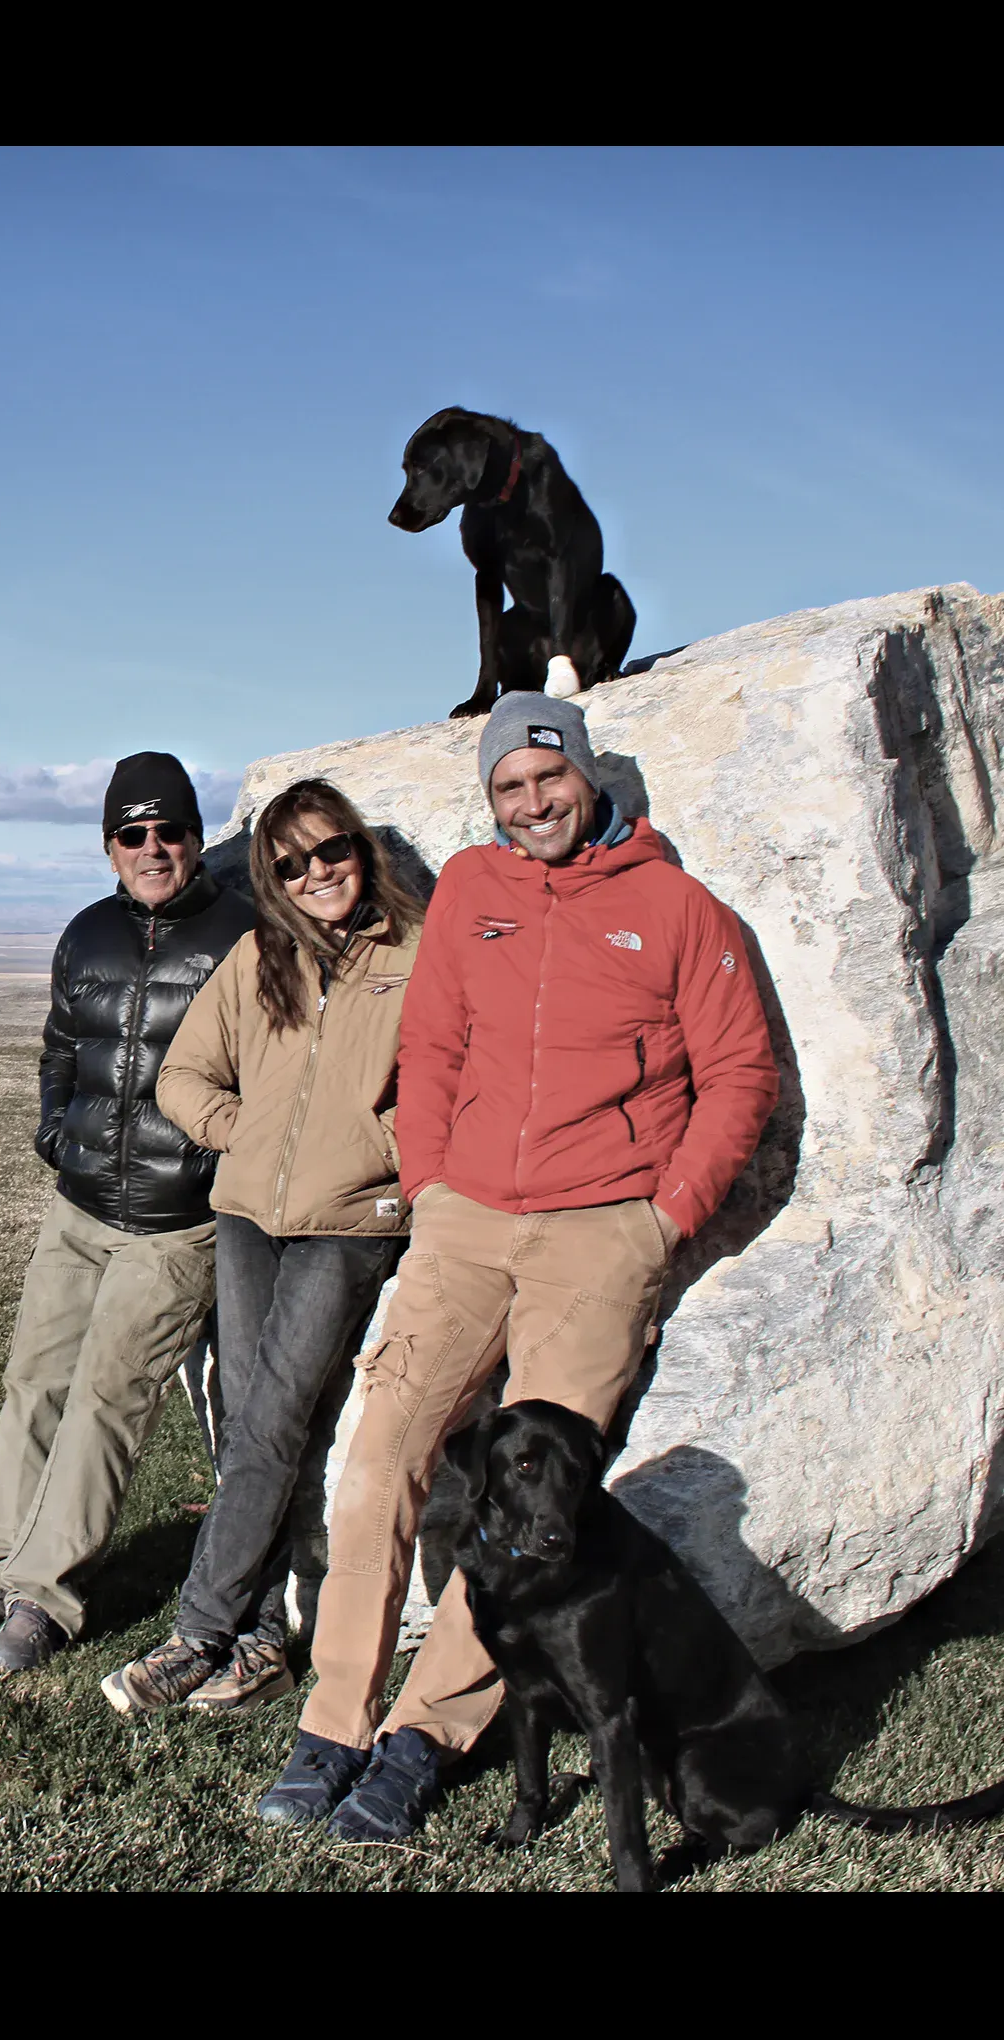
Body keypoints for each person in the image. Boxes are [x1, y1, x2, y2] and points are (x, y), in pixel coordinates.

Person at [251, 691, 778, 1838]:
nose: (532, 802)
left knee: (538, 1502)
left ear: (585, 780)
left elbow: (739, 1074)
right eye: (509, 787)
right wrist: (435, 1189)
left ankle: (419, 1741)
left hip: (603, 1231)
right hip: (466, 1221)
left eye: (549, 779)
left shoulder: (678, 908)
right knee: (381, 1451)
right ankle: (333, 1722)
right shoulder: (476, 898)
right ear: (488, 799)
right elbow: (434, 1044)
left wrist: (663, 1217)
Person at [99, 777, 424, 1718]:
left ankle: (199, 1629)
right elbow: (183, 1075)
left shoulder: (415, 952)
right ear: (271, 879)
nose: (315, 872)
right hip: (247, 1217)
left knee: (273, 1417)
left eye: (331, 851)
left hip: (348, 1225)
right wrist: (238, 1132)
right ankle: (259, 1645)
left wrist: (382, 1155)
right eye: (290, 863)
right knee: (256, 1423)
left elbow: (454, 1081)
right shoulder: (256, 957)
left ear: (359, 852)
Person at [0, 751, 259, 1674]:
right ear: (108, 846)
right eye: (132, 834)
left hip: (176, 1220)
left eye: (170, 831)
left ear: (197, 838)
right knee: (33, 1382)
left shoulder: (242, 935)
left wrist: (212, 1161)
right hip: (77, 1205)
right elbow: (59, 1048)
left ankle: (46, 1597)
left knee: (108, 1401)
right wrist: (53, 1135)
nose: (152, 850)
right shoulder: (84, 935)